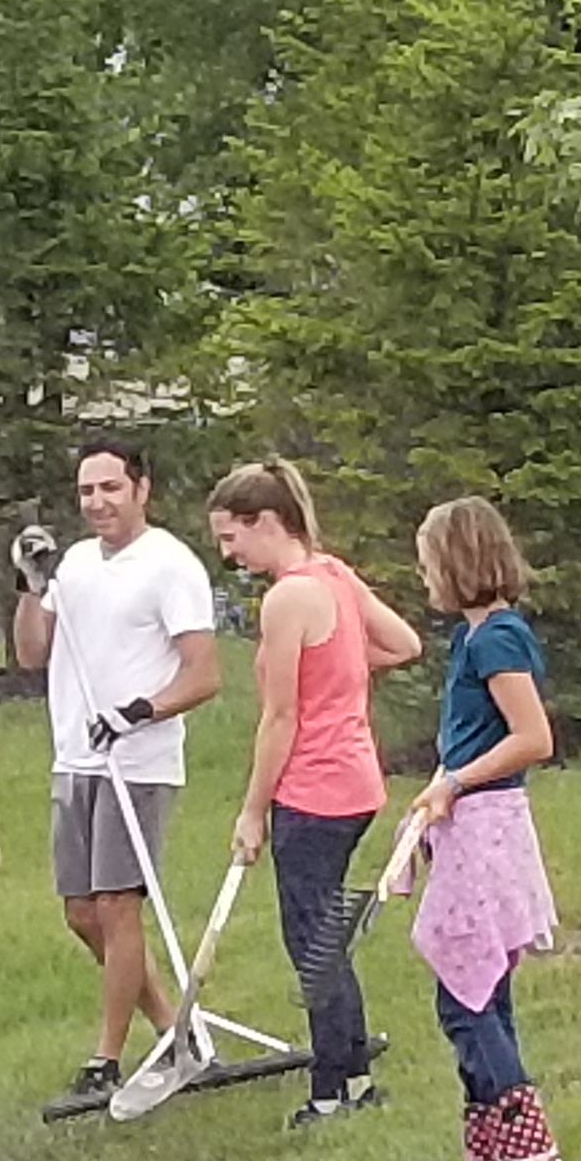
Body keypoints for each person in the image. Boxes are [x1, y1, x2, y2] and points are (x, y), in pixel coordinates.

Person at [206, 459, 426, 1127]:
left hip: (314, 790)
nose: (227, 553)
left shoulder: (288, 598)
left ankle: (332, 1091)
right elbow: (404, 644)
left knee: (313, 945)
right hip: (358, 782)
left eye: (230, 537)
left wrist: (252, 812)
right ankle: (353, 1077)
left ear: (266, 522)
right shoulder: (335, 575)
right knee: (326, 934)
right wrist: (345, 669)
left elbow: (281, 718)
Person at [9, 440, 221, 1109]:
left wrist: (140, 712)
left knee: (117, 904)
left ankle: (106, 1056)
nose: (98, 502)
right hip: (75, 756)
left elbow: (204, 674)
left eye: (111, 488)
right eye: (87, 492)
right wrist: (29, 584)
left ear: (141, 489)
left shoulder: (169, 565)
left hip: (137, 762)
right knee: (80, 913)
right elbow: (31, 653)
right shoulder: (73, 564)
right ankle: (176, 1031)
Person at [397, 495, 567, 1161]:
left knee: (466, 999)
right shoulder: (474, 641)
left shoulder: (495, 640)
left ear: (458, 562)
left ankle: (532, 1155)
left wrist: (459, 782)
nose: (423, 573)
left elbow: (533, 736)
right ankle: (486, 1159)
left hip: (487, 827)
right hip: (466, 821)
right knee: (477, 993)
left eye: (430, 559)